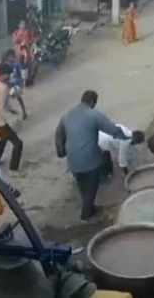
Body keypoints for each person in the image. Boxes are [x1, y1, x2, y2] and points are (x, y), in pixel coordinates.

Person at [55, 90, 129, 222]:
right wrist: (126, 137)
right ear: (93, 102)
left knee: (82, 184)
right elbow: (112, 129)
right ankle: (87, 214)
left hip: (72, 161)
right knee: (91, 186)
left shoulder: (67, 115)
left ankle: (89, 206)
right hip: (90, 160)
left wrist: (60, 151)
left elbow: (58, 134)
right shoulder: (94, 115)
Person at [0, 64, 24, 179]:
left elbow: (3, 104)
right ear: (2, 75)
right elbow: (1, 107)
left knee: (3, 140)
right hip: (1, 121)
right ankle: (13, 169)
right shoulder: (3, 88)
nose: (9, 77)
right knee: (18, 143)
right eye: (8, 75)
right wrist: (11, 119)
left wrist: (11, 110)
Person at [5, 50, 28, 120]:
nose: (10, 58)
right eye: (9, 57)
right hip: (10, 85)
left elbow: (22, 73)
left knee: (18, 97)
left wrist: (22, 83)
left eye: (11, 57)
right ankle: (12, 111)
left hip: (17, 84)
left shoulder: (17, 64)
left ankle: (24, 112)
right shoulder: (7, 66)